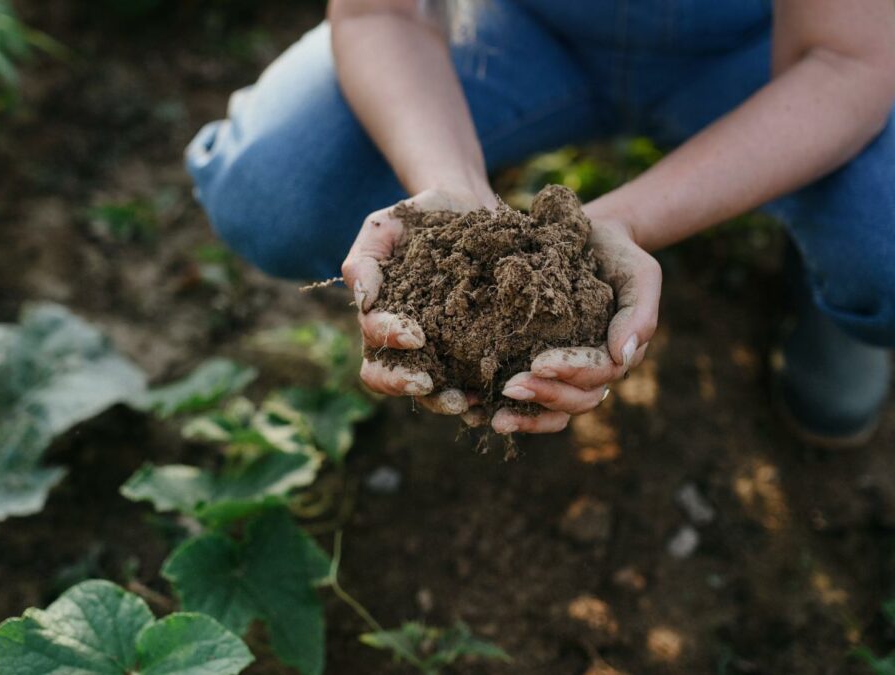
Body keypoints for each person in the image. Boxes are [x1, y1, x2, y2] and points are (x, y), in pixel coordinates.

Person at [186, 0, 895, 446]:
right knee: (275, 190)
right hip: (522, 25)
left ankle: (837, 292)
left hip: (768, 46)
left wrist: (624, 221)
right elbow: (383, 14)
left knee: (884, 244)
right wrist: (449, 191)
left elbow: (846, 61)